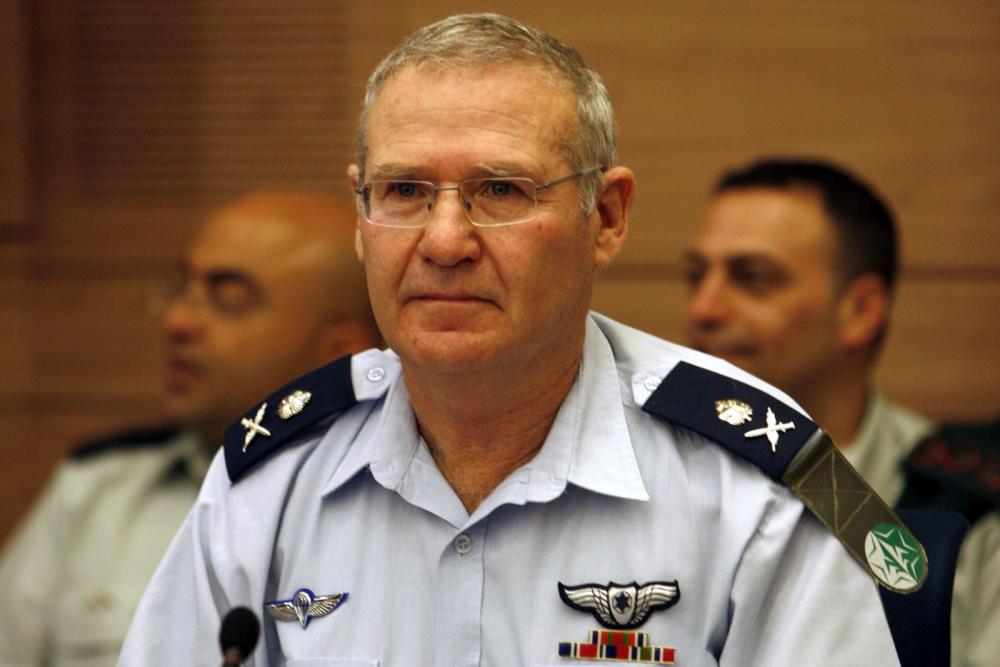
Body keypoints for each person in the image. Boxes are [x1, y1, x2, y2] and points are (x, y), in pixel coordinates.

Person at [120, 15, 904, 665]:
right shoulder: (271, 474)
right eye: (404, 191)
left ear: (607, 217)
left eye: (500, 190)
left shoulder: (754, 480)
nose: (444, 240)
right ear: (361, 217)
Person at [0, 190, 379, 666]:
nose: (177, 322)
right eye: (182, 290)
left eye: (228, 301)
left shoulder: (392, 505)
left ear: (338, 353)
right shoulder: (98, 490)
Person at [682, 157, 998, 667]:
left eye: (752, 279)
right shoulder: (650, 474)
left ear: (860, 311)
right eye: (697, 276)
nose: (703, 309)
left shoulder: (968, 505)